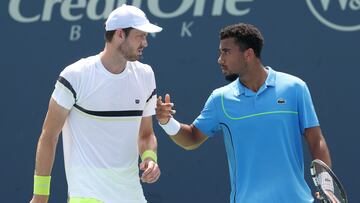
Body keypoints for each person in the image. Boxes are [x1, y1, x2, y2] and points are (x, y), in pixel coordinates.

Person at [156, 23, 333, 203]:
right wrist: (166, 122)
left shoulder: (295, 88)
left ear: (248, 54)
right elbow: (192, 138)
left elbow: (315, 139)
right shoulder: (220, 99)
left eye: (226, 52)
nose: (220, 59)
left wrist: (327, 184)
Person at [30, 4, 162, 203]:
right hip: (87, 196)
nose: (145, 43)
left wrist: (150, 158)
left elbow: (146, 134)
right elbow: (48, 137)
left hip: (132, 196)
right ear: (120, 34)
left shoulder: (145, 75)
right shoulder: (75, 76)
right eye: (140, 36)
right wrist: (40, 196)